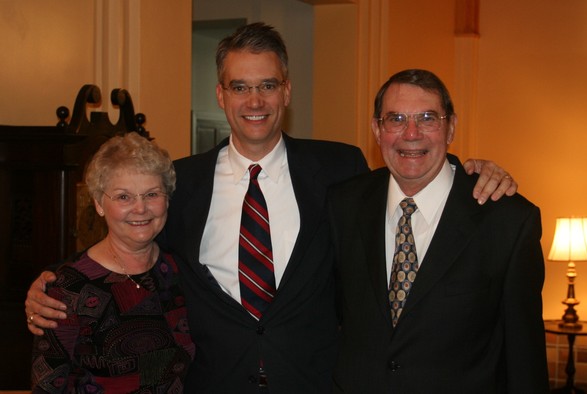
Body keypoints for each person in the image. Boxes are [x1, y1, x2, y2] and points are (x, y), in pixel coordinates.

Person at [25, 24, 518, 393]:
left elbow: (414, 166)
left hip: (315, 382)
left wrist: (471, 169)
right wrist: (54, 280)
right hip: (212, 383)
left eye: (267, 84)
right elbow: (133, 243)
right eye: (240, 86)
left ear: (286, 90)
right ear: (222, 95)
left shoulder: (339, 167)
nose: (254, 99)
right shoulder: (182, 181)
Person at [327, 69, 549, 393]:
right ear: (377, 129)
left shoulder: (507, 221)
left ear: (450, 127)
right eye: (396, 118)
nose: (411, 133)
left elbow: (524, 361)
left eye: (428, 118)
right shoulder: (343, 204)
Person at [30, 132, 195, 392]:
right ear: (99, 204)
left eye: (152, 194)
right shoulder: (70, 289)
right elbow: (47, 386)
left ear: (167, 199)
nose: (140, 209)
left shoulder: (181, 271)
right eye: (123, 197)